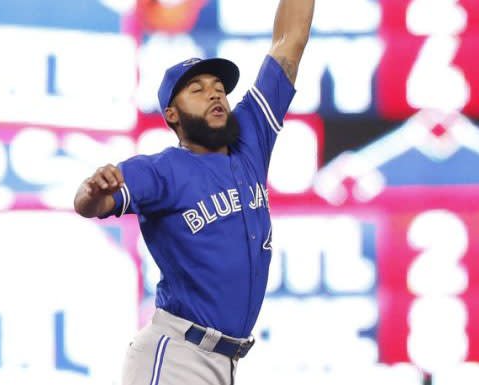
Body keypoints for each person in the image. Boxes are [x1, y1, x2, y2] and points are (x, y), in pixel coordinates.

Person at [74, 1, 314, 383]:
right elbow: (94, 204)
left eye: (220, 89)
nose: (215, 95)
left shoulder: (250, 139)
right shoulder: (162, 170)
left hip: (226, 362)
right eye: (198, 90)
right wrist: (91, 190)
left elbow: (290, 42)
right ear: (172, 114)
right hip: (177, 357)